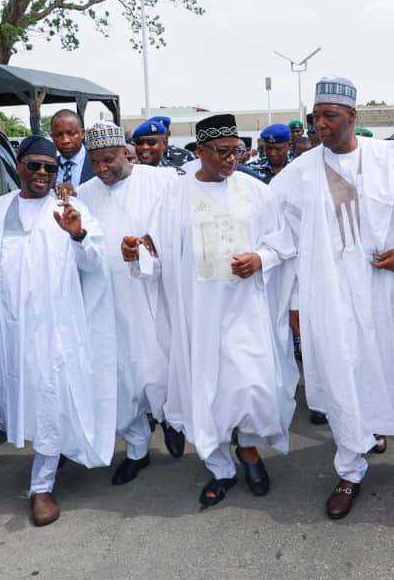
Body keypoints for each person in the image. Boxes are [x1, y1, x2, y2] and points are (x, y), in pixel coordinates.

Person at [122, 114, 298, 507]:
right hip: (197, 316)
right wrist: (136, 253)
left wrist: (260, 258)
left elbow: (282, 243)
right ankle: (221, 467)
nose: (231, 159)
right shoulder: (173, 195)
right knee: (207, 391)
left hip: (246, 311)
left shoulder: (255, 191)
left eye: (235, 150)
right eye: (221, 152)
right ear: (199, 152)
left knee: (251, 386)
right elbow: (155, 249)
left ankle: (249, 450)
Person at [270, 76, 394, 521]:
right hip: (328, 295)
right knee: (338, 374)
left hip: (381, 292)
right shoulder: (297, 175)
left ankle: (371, 427)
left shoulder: (390, 159)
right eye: (315, 116)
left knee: (379, 372)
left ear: (352, 116)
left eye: (329, 116)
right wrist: (295, 302)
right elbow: (287, 242)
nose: (320, 125)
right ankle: (349, 468)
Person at [0, 135, 116, 527]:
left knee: (47, 398)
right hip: (10, 330)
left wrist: (77, 234)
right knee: (22, 397)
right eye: (35, 166)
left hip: (54, 327)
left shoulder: (69, 208)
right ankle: (49, 451)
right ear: (19, 168)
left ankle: (41, 487)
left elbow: (96, 263)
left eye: (50, 167)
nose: (43, 173)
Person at [76, 122, 184, 477]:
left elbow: (178, 235)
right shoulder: (84, 193)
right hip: (107, 303)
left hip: (155, 297)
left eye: (109, 160)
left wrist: (146, 247)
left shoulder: (163, 182)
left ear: (127, 153)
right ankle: (137, 449)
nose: (102, 169)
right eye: (95, 163)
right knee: (120, 377)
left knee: (162, 367)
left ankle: (171, 420)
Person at [51, 109, 95, 194]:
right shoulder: (47, 167)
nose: (65, 140)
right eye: (58, 135)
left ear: (82, 134)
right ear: (52, 137)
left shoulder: (98, 163)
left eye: (72, 134)